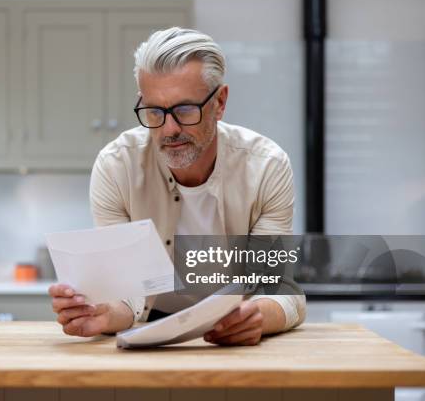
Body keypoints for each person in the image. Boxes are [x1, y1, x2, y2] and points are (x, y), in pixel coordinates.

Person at [48, 27, 306, 345]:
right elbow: (126, 297)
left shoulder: (266, 166)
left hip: (234, 337)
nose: (169, 129)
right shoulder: (117, 166)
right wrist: (101, 314)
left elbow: (282, 292)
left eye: (185, 110)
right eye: (154, 111)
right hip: (150, 336)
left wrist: (256, 317)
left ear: (220, 102)